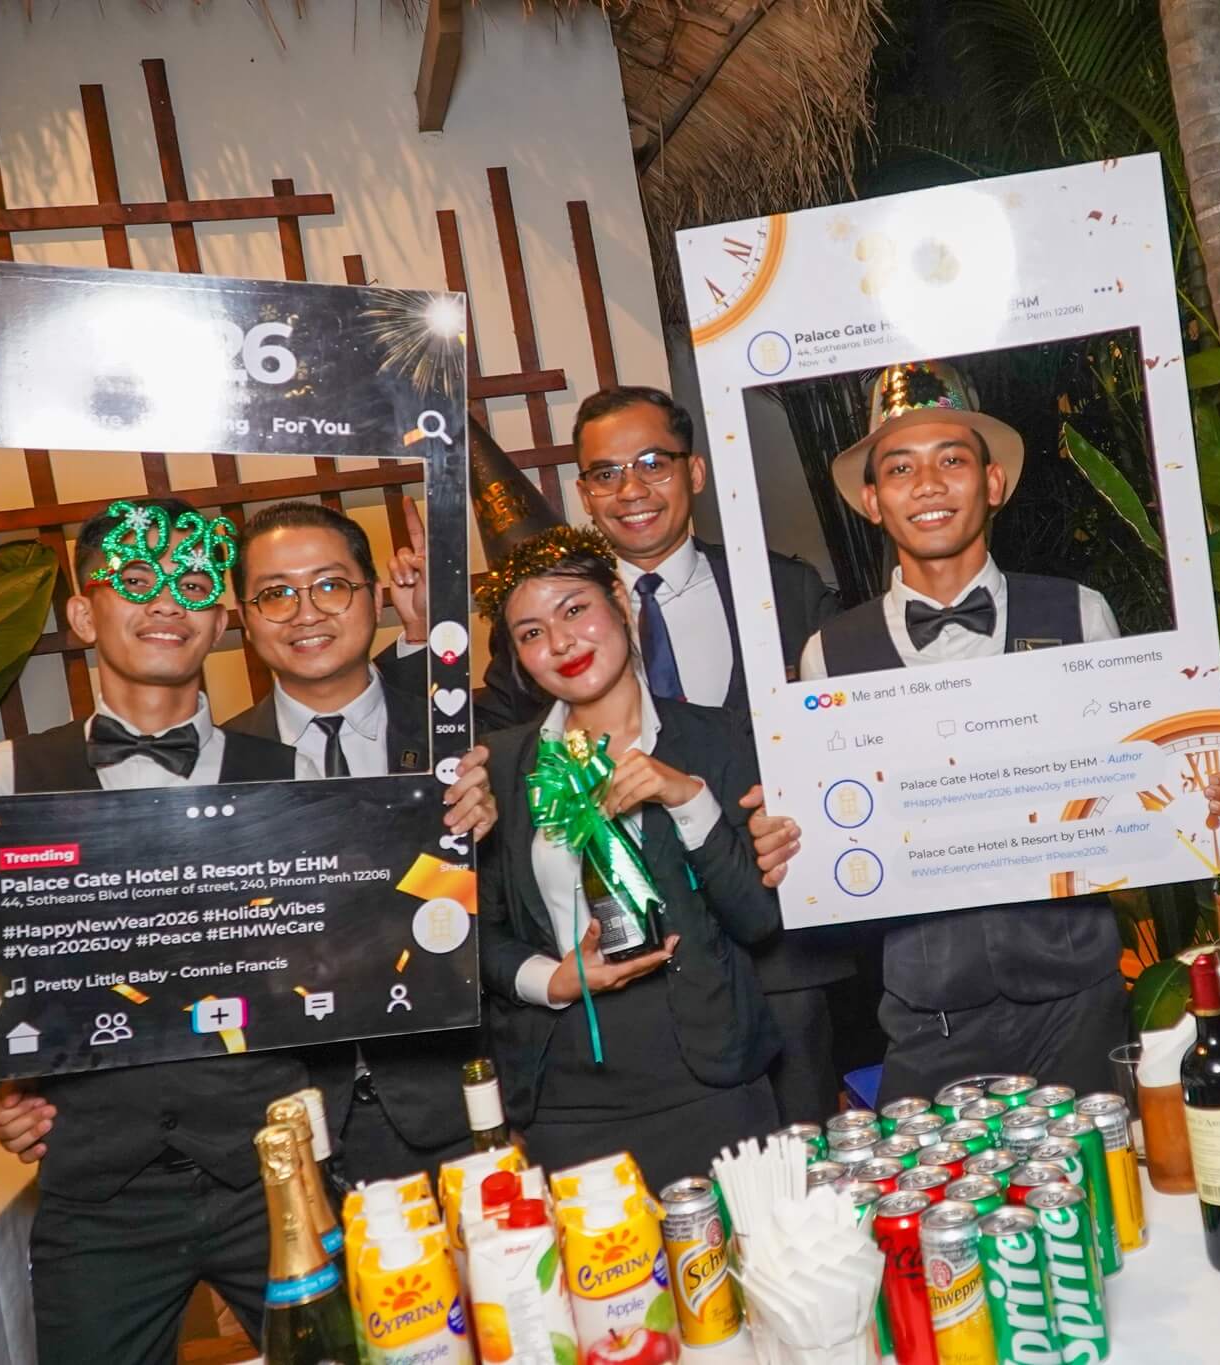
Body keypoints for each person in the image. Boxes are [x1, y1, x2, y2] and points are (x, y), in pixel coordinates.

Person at [0, 496, 459, 1363]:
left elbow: (377, 964)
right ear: (82, 613)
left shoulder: (296, 775)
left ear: (221, 618)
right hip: (97, 1194)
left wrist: (451, 833)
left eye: (195, 582)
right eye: (136, 578)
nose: (167, 600)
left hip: (276, 1176)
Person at [756, 359, 1220, 1100]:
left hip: (1079, 1000)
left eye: (952, 460)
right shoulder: (828, 654)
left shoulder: (1079, 613)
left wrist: (1211, 794)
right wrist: (790, 840)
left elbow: (1143, 790)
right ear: (872, 500)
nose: (928, 485)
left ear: (992, 483)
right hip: (927, 1012)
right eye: (900, 468)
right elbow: (838, 833)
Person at [483, 386, 855, 1126]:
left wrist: (802, 815)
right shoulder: (548, 632)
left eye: (652, 462)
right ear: (584, 492)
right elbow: (485, 769)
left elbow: (845, 742)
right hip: (602, 1027)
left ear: (695, 471)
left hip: (778, 965)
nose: (631, 489)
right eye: (605, 473)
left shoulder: (784, 589)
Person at [473, 525, 783, 1191]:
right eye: (531, 633)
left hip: (708, 1075)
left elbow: (757, 919)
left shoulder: (718, 737)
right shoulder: (500, 765)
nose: (560, 643)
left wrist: (689, 799)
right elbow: (475, 932)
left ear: (618, 600)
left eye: (575, 610)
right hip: (565, 1096)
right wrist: (548, 979)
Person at [219, 498, 496, 1183]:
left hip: (470, 1100)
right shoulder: (216, 768)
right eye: (276, 594)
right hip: (293, 1128)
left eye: (330, 585)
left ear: (374, 595)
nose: (305, 612)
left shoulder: (467, 736)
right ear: (245, 619)